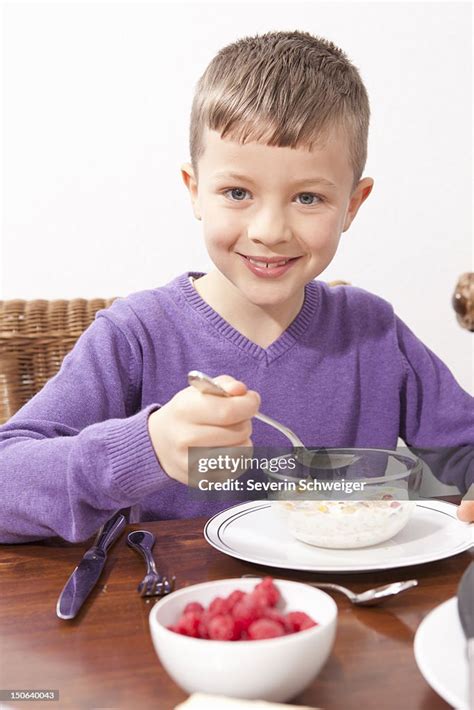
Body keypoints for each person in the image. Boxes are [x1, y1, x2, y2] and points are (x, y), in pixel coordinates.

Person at [0, 30, 472, 544]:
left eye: (309, 198)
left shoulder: (373, 333)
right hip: (180, 610)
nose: (269, 229)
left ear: (353, 205)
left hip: (349, 608)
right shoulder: (136, 336)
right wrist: (147, 448)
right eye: (238, 192)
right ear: (195, 191)